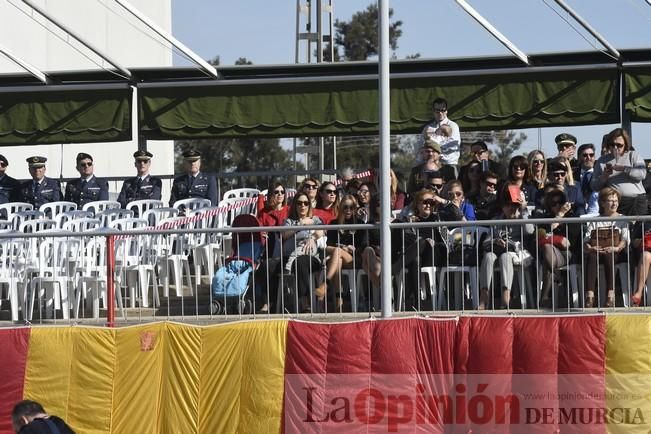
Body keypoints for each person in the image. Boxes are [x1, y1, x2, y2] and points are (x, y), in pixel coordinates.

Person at [479, 187, 534, 309]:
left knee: (505, 257)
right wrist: (495, 241)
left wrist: (524, 209)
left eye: (514, 205)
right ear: (502, 206)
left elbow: (529, 231)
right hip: (497, 250)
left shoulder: (522, 218)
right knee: (488, 256)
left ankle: (506, 296)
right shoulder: (496, 220)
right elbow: (485, 242)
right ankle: (484, 296)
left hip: (516, 253)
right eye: (508, 205)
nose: (511, 208)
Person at [319, 195, 368, 310]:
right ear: (341, 208)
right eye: (345, 207)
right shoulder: (333, 224)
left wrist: (352, 249)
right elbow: (327, 247)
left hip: (355, 259)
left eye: (351, 207)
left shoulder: (360, 224)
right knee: (338, 258)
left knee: (337, 253)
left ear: (355, 209)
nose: (348, 210)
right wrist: (341, 249)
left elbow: (363, 246)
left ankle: (325, 284)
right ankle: (339, 301)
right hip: (338, 259)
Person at [583, 187, 630, 308]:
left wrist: (616, 248)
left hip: (615, 252)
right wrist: (590, 248)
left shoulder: (622, 219)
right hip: (597, 251)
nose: (614, 203)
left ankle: (611, 295)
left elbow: (625, 239)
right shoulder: (595, 220)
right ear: (602, 203)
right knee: (592, 256)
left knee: (610, 255)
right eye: (610, 200)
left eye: (616, 200)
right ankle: (590, 296)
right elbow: (586, 240)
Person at [280, 192, 325, 312]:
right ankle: (269, 305)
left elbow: (322, 231)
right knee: (267, 266)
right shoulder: (289, 221)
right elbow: (284, 235)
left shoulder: (315, 219)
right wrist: (300, 224)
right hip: (288, 255)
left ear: (309, 205)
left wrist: (312, 238)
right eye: (299, 203)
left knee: (300, 262)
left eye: (306, 203)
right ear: (295, 205)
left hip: (310, 255)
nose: (303, 206)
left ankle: (306, 303)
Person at [537, 189, 581, 308]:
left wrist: (562, 217)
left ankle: (545, 295)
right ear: (549, 206)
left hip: (567, 254)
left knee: (547, 261)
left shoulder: (573, 217)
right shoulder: (545, 218)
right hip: (550, 254)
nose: (557, 205)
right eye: (553, 204)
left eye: (560, 202)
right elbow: (542, 235)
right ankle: (556, 277)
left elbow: (571, 241)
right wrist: (559, 216)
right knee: (547, 248)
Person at [591, 128, 647, 216]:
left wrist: (624, 169)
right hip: (616, 203)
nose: (615, 148)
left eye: (619, 145)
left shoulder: (633, 156)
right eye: (612, 145)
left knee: (639, 228)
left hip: (637, 201)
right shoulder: (602, 160)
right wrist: (604, 176)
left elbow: (642, 174)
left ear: (625, 144)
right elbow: (594, 186)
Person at [421, 97, 461, 170]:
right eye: (437, 110)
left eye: (443, 110)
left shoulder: (453, 126)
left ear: (446, 111)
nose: (440, 113)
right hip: (430, 165)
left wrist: (433, 146)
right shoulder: (427, 128)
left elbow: (451, 147)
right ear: (433, 111)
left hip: (448, 165)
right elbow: (423, 145)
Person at [575, 143, 599, 214]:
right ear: (579, 158)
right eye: (585, 155)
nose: (589, 158)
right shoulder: (572, 175)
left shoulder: (600, 174)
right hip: (577, 214)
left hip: (596, 213)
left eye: (591, 155)